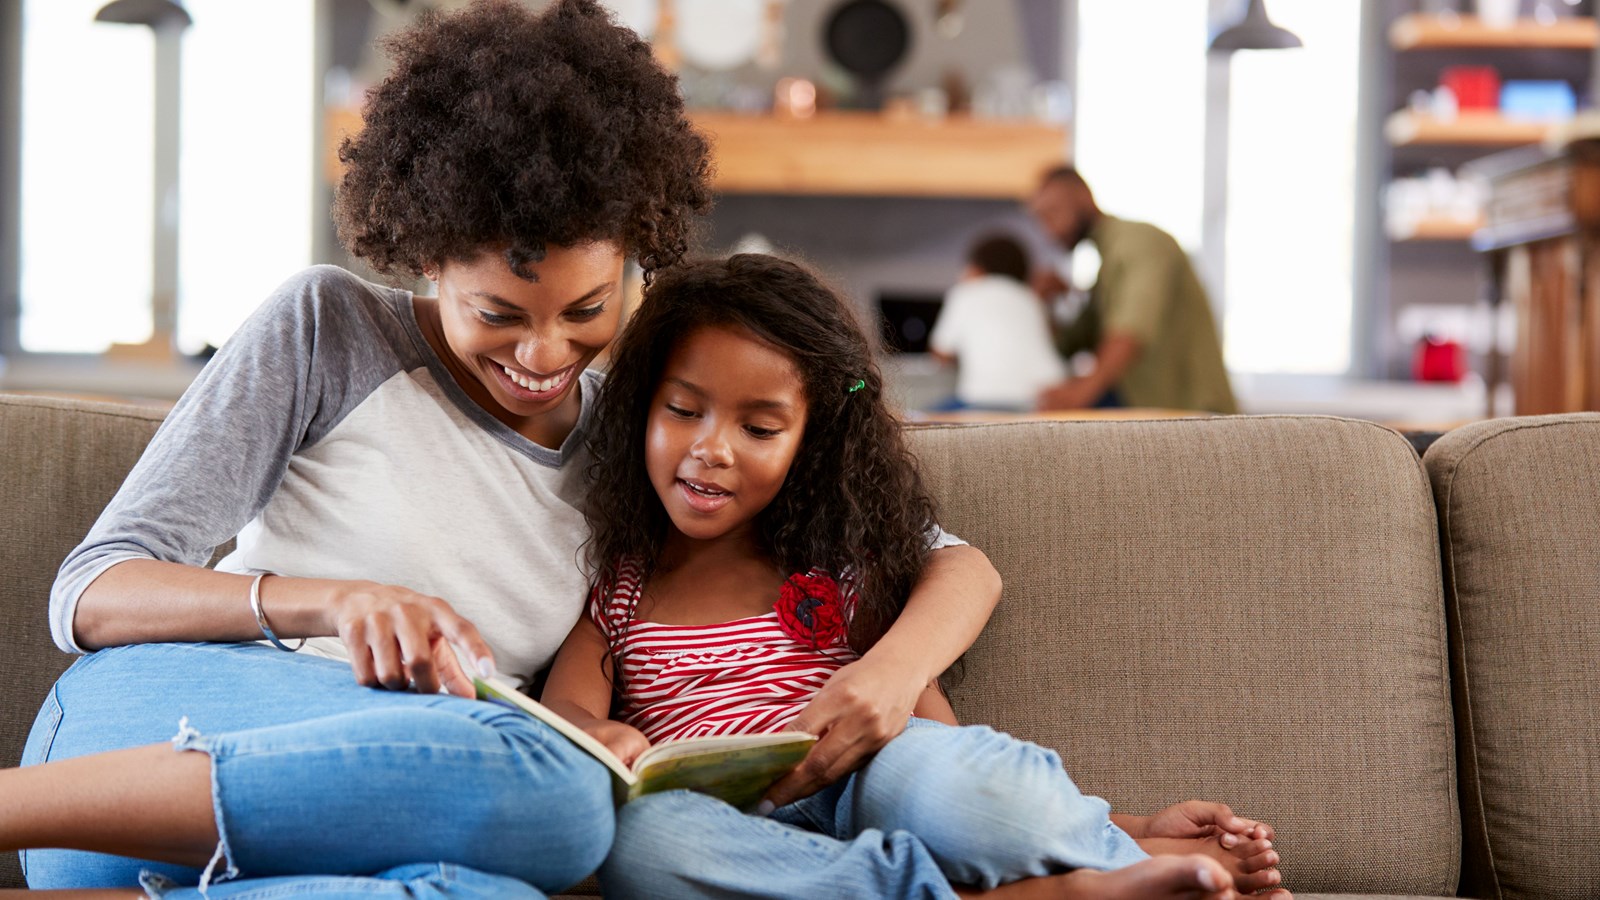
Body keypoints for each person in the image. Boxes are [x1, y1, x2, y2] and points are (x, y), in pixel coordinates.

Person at [0, 3, 1004, 896]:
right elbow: (88, 592)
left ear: (638, 265)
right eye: (497, 312)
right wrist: (329, 601)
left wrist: (886, 677)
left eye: (585, 312)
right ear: (424, 253)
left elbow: (945, 561)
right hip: (137, 751)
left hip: (406, 807)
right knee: (560, 797)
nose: (542, 355)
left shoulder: (649, 436)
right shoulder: (329, 329)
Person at [542, 254, 1290, 900]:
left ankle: (1112, 851)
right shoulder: (619, 591)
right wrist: (604, 734)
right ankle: (1061, 887)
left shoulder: (835, 569)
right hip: (734, 828)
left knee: (953, 782)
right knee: (642, 846)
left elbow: (944, 760)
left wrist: (1129, 817)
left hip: (869, 782)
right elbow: (565, 713)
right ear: (640, 408)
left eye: (760, 429)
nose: (711, 449)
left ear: (811, 441)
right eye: (682, 411)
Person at [1029, 167, 1238, 414]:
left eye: (1053, 212)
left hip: (1197, 416)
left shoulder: (1139, 241)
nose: (1049, 230)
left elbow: (1132, 328)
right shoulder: (1106, 268)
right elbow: (1068, 345)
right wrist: (1043, 303)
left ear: (1083, 196)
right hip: (1155, 413)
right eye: (1041, 220)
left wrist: (1080, 393)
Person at [926, 233, 1067, 411]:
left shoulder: (965, 292)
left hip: (986, 397)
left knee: (921, 417)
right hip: (1047, 394)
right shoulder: (1030, 297)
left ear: (976, 269)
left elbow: (940, 354)